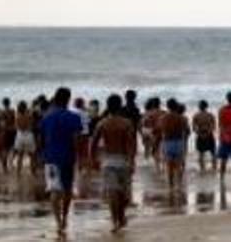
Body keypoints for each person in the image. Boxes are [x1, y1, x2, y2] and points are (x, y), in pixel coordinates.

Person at [92, 94, 137, 233]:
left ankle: (114, 221)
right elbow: (131, 144)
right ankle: (121, 216)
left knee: (112, 193)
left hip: (108, 160)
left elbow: (93, 143)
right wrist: (131, 160)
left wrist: (93, 159)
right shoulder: (127, 123)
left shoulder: (102, 123)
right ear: (120, 106)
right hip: (123, 159)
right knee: (124, 193)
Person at [41, 88, 83, 235]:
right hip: (68, 157)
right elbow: (77, 139)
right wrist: (80, 157)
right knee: (67, 189)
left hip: (51, 157)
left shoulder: (46, 117)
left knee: (54, 189)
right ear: (68, 99)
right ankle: (65, 217)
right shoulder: (74, 117)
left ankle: (58, 221)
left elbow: (42, 138)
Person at [160, 99, 190, 191]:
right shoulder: (182, 118)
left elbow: (159, 130)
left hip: (167, 142)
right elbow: (187, 131)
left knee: (169, 166)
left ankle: (171, 185)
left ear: (168, 106)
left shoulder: (163, 118)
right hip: (178, 142)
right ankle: (179, 184)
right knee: (179, 165)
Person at [192, 100, 217, 172]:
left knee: (201, 153)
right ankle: (214, 168)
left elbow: (194, 128)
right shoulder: (210, 115)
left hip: (200, 134)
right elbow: (214, 127)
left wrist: (200, 134)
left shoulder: (196, 115)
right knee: (213, 153)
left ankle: (202, 169)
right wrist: (208, 133)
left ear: (199, 107)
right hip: (209, 134)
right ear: (206, 106)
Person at [12, 101, 35, 174]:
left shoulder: (17, 116)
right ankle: (33, 172)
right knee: (32, 156)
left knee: (20, 156)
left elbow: (16, 127)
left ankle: (18, 172)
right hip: (29, 135)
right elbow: (31, 125)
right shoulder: (29, 115)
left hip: (20, 135)